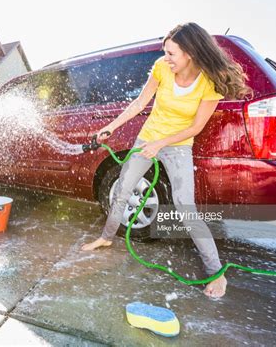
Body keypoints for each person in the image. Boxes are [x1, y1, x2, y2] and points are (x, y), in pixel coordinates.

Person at [81, 23, 251, 298]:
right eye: (166, 52)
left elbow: (195, 127)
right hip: (147, 138)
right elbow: (139, 104)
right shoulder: (161, 67)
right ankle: (105, 238)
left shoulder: (210, 82)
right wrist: (111, 127)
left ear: (191, 53)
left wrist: (161, 144)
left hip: (178, 145)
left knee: (186, 207)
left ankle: (217, 273)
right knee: (123, 189)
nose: (166, 58)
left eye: (172, 53)